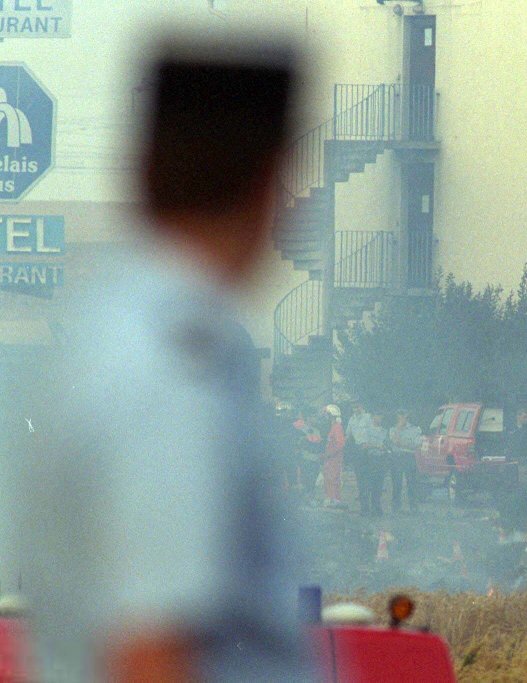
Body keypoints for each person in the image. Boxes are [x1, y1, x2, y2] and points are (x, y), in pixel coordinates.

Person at [11, 41, 312, 680]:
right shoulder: (170, 365)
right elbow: (150, 645)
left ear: (144, 170)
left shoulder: (106, 329)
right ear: (270, 184)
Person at [389, 409, 422, 513]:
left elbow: (417, 444)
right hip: (397, 456)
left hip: (409, 456)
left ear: (407, 416)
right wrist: (399, 429)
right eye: (399, 415)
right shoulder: (393, 429)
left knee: (412, 482)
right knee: (396, 483)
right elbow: (394, 441)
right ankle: (396, 507)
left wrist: (402, 444)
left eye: (403, 415)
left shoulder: (415, 429)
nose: (401, 417)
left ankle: (414, 507)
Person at [362, 410, 390, 516]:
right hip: (370, 459)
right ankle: (365, 509)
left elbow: (387, 443)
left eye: (381, 416)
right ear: (373, 416)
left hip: (381, 459)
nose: (380, 418)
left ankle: (376, 507)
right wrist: (377, 446)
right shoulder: (367, 431)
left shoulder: (384, 431)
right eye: (378, 415)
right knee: (368, 484)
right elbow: (364, 445)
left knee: (379, 485)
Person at [347, 403, 373, 515]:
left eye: (357, 406)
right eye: (353, 407)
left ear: (362, 407)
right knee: (360, 478)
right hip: (358, 450)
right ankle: (364, 508)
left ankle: (373, 507)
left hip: (368, 450)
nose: (355, 409)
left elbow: (374, 432)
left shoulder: (368, 417)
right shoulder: (351, 419)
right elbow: (348, 434)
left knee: (369, 479)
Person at [321, 404, 345, 508]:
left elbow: (340, 444)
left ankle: (334, 499)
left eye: (327, 414)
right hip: (330, 458)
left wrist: (329, 455)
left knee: (333, 478)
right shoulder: (333, 427)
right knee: (329, 478)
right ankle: (331, 498)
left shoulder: (337, 427)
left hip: (334, 459)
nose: (325, 417)